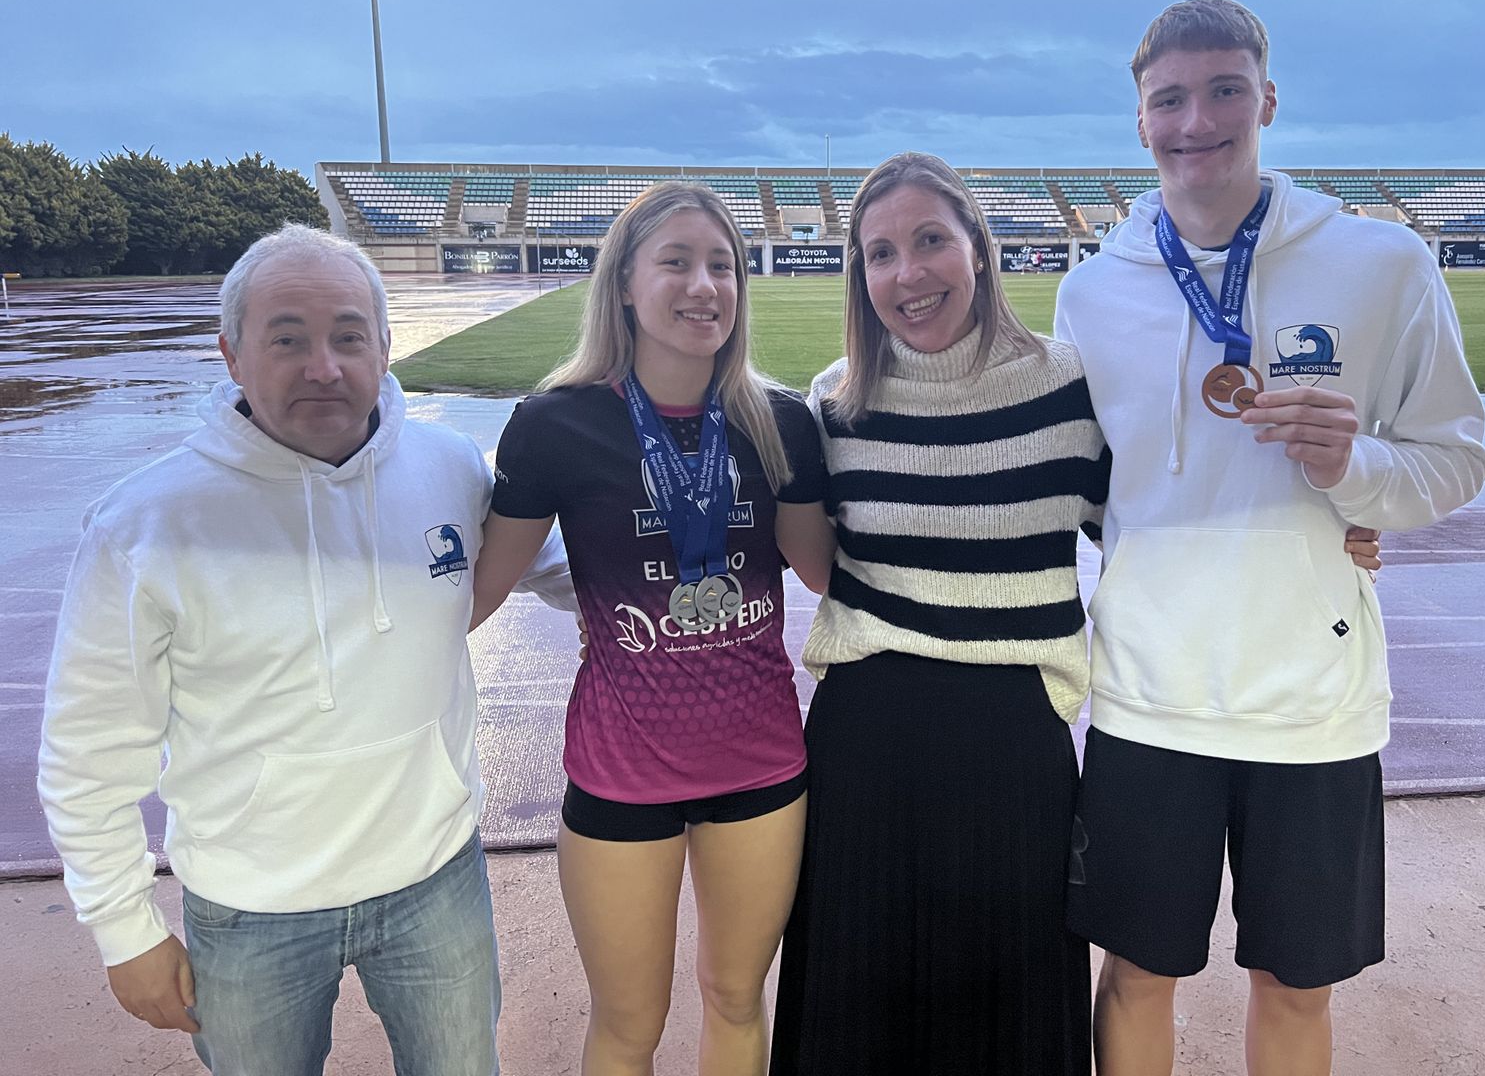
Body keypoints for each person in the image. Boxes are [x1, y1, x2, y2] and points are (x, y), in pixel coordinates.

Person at [1053, 0, 1485, 1076]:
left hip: (1313, 703)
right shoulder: (1092, 292)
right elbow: (1085, 491)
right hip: (1150, 690)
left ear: (1268, 99)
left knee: (1296, 987)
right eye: (1168, 99)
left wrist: (1359, 478)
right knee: (1135, 974)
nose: (1194, 119)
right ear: (1138, 118)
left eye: (1222, 90)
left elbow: (1456, 457)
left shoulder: (1382, 266)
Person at [37, 223, 568, 1075]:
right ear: (232, 353)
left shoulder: (448, 465)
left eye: (349, 337)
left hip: (435, 878)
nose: (324, 366)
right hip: (250, 906)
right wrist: (123, 928)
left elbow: (557, 565)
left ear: (386, 345)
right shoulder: (146, 524)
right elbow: (88, 748)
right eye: (287, 339)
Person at [472, 182, 835, 1076]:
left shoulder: (781, 422)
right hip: (620, 771)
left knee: (738, 998)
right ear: (624, 283)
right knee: (630, 1022)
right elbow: (474, 595)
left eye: (723, 265)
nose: (703, 284)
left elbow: (826, 575)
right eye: (675, 261)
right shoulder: (555, 426)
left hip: (760, 765)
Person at [768, 151, 1110, 1076]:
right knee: (852, 994)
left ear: (979, 251)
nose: (906, 274)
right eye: (879, 253)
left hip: (1013, 731)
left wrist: (1343, 521)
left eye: (929, 242)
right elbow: (802, 553)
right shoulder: (835, 405)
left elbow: (1154, 529)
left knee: (1013, 1000)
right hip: (865, 729)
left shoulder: (1072, 389)